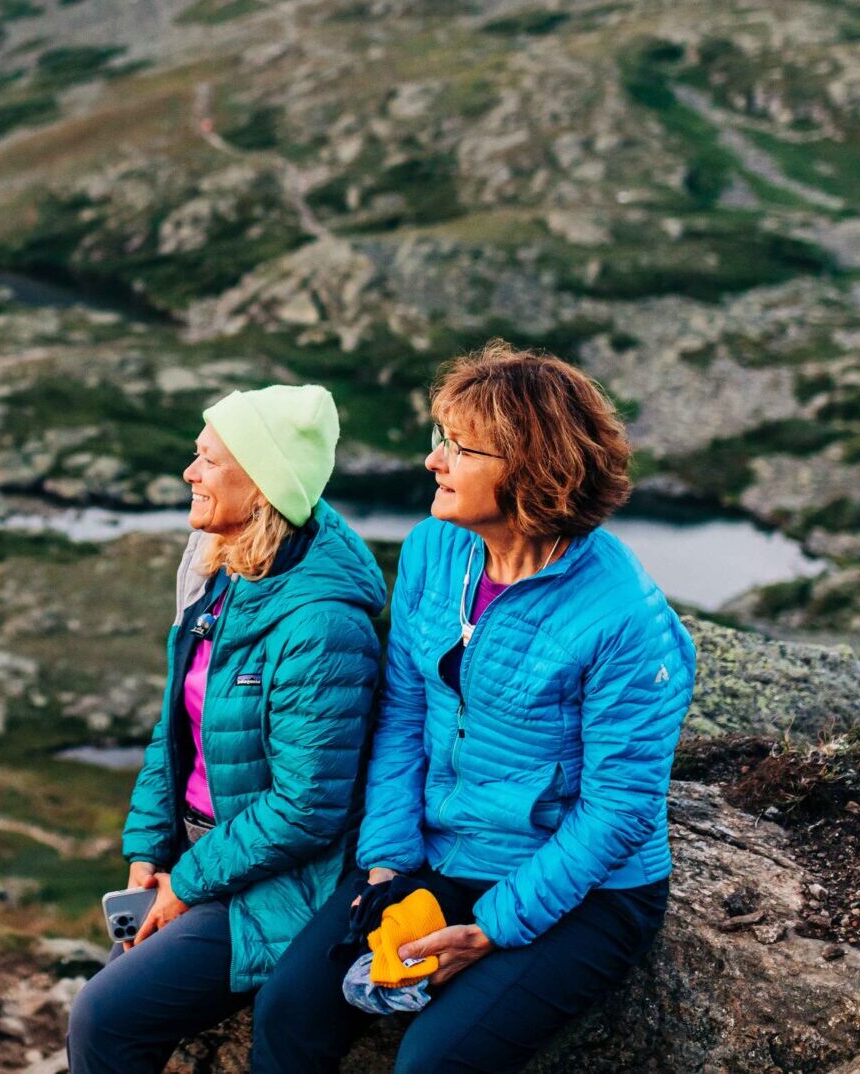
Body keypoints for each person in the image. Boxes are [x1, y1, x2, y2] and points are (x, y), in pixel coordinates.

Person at [249, 341, 696, 1073]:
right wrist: (389, 862)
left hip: (586, 890)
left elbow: (618, 811)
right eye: (440, 439)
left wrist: (491, 928)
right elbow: (401, 710)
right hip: (439, 852)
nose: (434, 461)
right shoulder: (434, 549)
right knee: (290, 1008)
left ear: (528, 470)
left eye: (459, 447)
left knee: (433, 1062)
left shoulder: (624, 620)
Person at [66, 385, 386, 1074]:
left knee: (104, 1018)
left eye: (208, 460)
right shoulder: (226, 571)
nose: (190, 473)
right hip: (206, 856)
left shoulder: (322, 625)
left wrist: (188, 883)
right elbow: (175, 727)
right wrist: (148, 850)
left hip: (283, 878)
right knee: (108, 1005)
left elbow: (307, 808)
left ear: (264, 486)